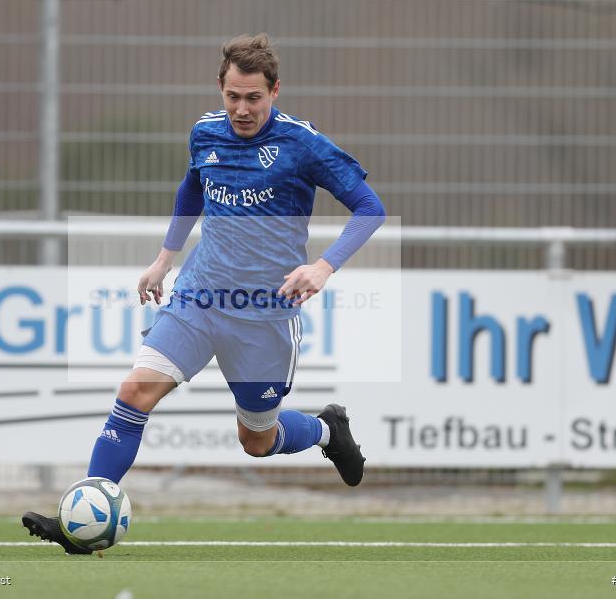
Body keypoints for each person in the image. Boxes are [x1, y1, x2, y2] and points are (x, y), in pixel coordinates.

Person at [23, 33, 386, 554]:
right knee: (134, 393)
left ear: (275, 91)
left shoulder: (302, 145)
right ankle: (84, 518)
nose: (242, 109)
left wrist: (323, 266)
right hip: (199, 297)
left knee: (257, 441)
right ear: (221, 88)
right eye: (233, 96)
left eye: (254, 98)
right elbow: (192, 187)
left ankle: (327, 431)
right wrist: (165, 257)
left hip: (264, 314)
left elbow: (369, 208)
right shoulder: (205, 134)